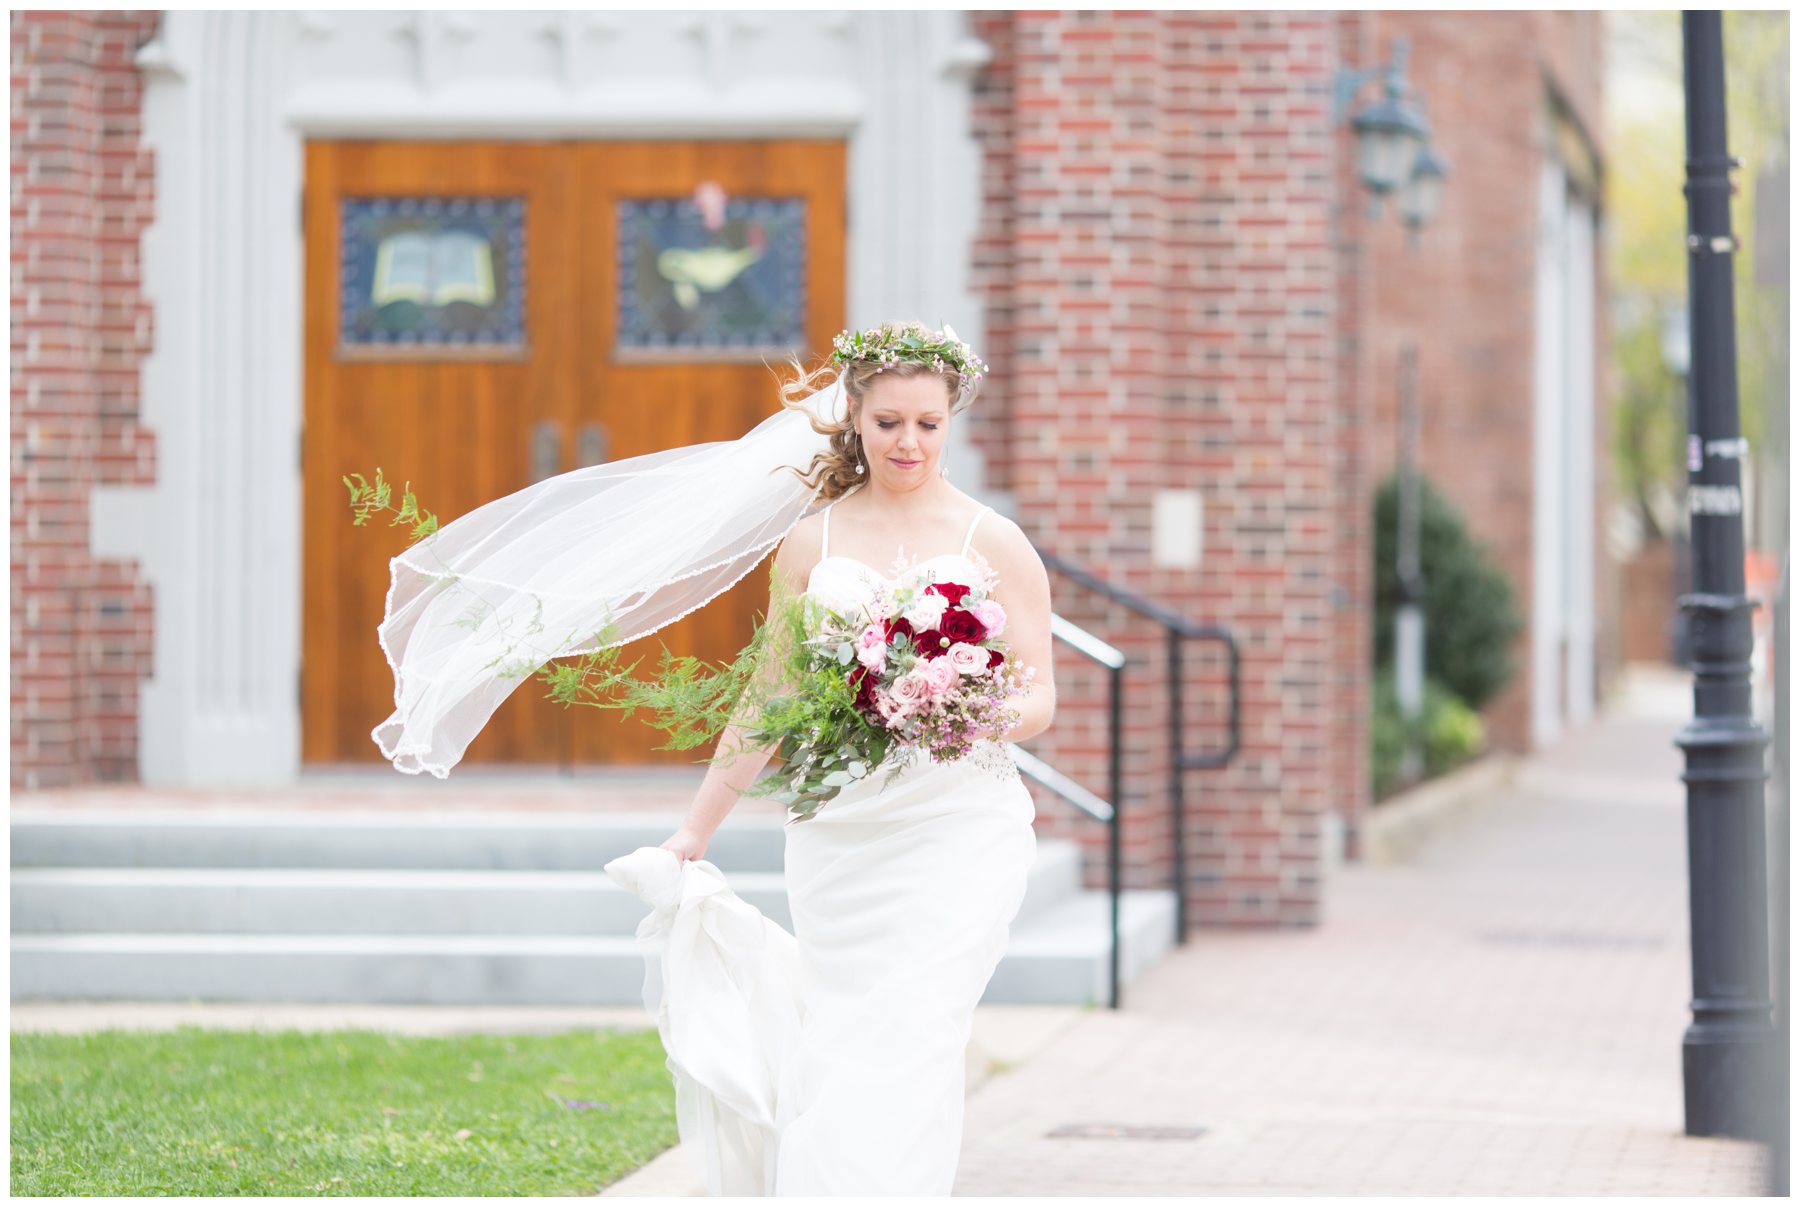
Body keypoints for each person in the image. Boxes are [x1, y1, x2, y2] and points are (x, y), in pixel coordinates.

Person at [648, 320, 1057, 1194]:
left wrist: (959, 707)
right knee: (847, 1037)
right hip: (843, 833)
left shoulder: (996, 541)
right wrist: (694, 830)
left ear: (951, 422)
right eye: (888, 423)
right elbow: (769, 701)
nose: (908, 441)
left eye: (927, 423)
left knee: (918, 1027)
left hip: (959, 825)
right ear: (856, 421)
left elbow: (1039, 698)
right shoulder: (813, 544)